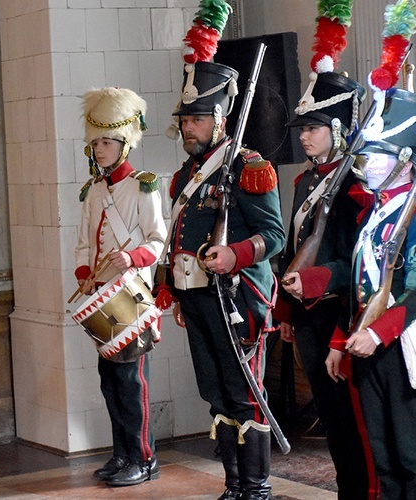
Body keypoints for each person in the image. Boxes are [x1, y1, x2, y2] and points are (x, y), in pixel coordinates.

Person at [160, 59, 285, 500]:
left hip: (238, 298)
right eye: (185, 120)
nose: (188, 128)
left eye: (196, 119)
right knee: (216, 394)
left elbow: (275, 235)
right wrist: (176, 293)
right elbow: (179, 237)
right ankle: (234, 487)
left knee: (244, 394)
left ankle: (256, 489)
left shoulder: (249, 166)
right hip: (197, 298)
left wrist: (234, 254)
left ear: (219, 119)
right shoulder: (185, 176)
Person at [325, 88, 416, 499]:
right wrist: (341, 341)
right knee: (381, 458)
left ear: (405, 162)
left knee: (415, 461)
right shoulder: (372, 216)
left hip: (403, 346)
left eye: (379, 155)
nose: (367, 164)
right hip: (365, 348)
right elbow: (361, 289)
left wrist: (376, 333)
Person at [276, 71, 374, 499]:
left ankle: (361, 490)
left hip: (342, 313)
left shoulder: (357, 183)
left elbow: (356, 256)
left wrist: (313, 284)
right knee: (331, 419)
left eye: (313, 128)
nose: (304, 138)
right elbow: (294, 247)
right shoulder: (305, 182)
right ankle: (345, 487)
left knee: (351, 416)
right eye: (303, 130)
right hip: (308, 315)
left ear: (337, 129)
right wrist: (286, 313)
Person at [73, 87, 166, 487]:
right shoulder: (93, 190)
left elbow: (158, 241)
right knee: (109, 381)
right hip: (102, 298)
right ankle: (122, 454)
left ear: (125, 143)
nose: (100, 149)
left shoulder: (143, 186)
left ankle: (143, 459)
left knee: (131, 382)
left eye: (107, 141)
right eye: (95, 142)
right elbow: (82, 242)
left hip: (132, 298)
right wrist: (84, 276)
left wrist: (131, 258)